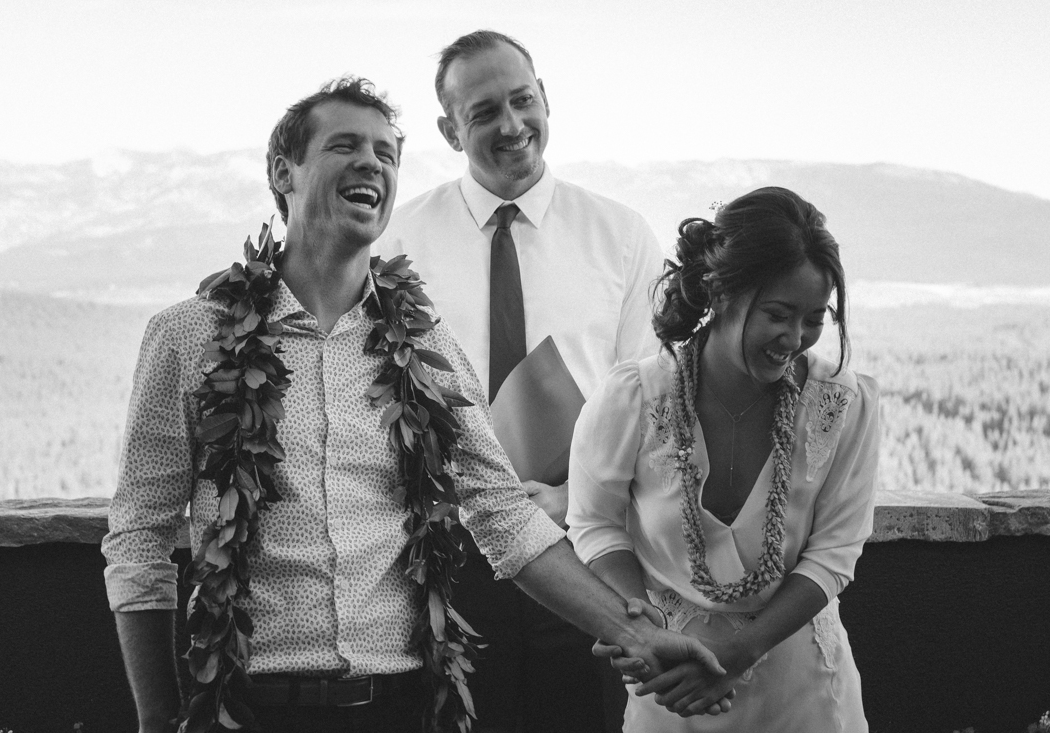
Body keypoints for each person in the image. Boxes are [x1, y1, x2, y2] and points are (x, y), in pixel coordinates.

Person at [102, 76, 726, 733]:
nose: (372, 162)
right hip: (247, 707)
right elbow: (140, 536)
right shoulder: (189, 336)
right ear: (283, 172)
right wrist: (156, 717)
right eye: (345, 146)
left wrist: (638, 633)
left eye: (386, 153)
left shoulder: (421, 344)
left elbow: (503, 513)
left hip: (400, 707)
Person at [375, 31, 665, 733]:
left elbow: (659, 408)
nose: (511, 126)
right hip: (447, 568)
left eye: (522, 101)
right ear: (449, 129)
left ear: (545, 100)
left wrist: (572, 497)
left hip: (588, 554)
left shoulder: (622, 237)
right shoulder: (395, 243)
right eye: (483, 112)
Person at [568, 187, 881, 731]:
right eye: (778, 314)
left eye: (814, 318)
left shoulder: (844, 404)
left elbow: (835, 551)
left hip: (802, 690)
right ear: (721, 293)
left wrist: (741, 653)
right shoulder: (635, 397)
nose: (795, 339)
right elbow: (595, 523)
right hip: (671, 682)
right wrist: (646, 628)